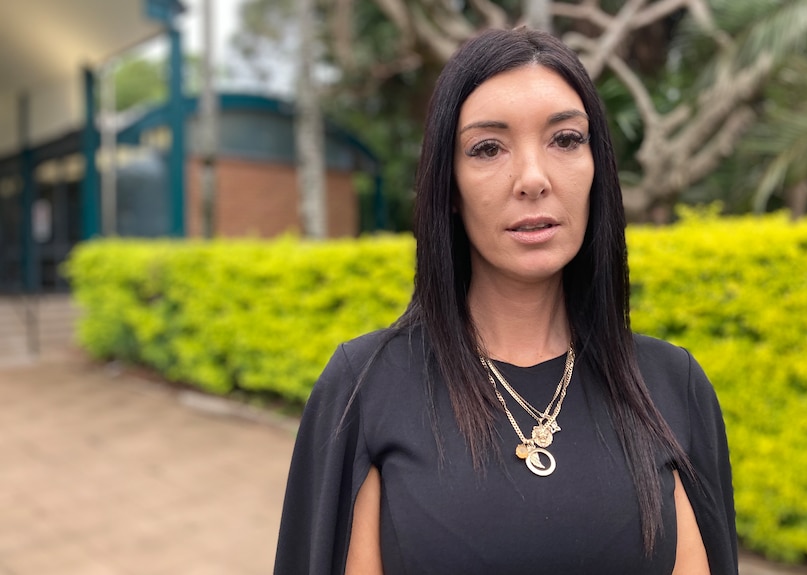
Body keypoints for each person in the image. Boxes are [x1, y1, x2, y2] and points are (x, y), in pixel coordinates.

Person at [273, 27, 736, 575]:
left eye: (565, 139)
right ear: (448, 185)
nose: (533, 179)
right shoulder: (367, 390)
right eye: (488, 148)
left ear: (598, 168)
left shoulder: (671, 386)